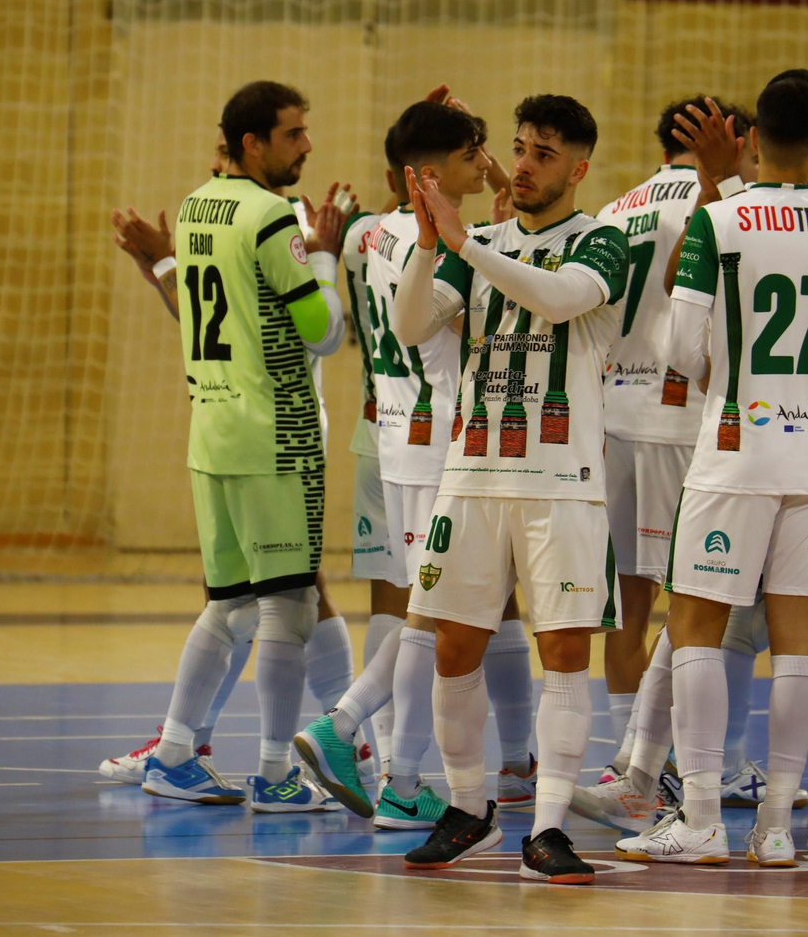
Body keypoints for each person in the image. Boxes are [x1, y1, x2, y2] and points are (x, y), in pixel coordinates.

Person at [616, 78, 808, 868]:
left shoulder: (718, 219)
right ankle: (775, 827)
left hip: (736, 449)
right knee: (798, 641)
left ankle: (701, 818)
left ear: (752, 139)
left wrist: (737, 374)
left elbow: (681, 353)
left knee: (697, 626)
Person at [390, 95, 627, 884]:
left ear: (579, 169)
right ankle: (468, 809)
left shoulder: (603, 241)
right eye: (519, 149)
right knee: (453, 649)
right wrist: (432, 249)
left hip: (562, 481)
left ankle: (551, 826)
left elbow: (557, 299)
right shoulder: (479, 244)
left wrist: (465, 243)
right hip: (474, 475)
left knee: (561, 653)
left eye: (543, 154)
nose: (522, 165)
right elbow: (412, 325)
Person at [296, 98, 536, 829]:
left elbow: (417, 182)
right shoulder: (454, 246)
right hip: (443, 447)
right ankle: (372, 751)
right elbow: (479, 321)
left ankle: (403, 764)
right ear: (431, 173)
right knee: (434, 617)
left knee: (434, 610)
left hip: (398, 442)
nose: (486, 163)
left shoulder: (373, 233)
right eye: (473, 152)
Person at [111, 80, 349, 814]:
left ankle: (176, 753)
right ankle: (277, 774)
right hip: (275, 431)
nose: (306, 145)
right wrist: (325, 257)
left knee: (231, 605)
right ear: (253, 144)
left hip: (211, 430)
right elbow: (326, 331)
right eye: (293, 134)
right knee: (288, 609)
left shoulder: (194, 206)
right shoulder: (273, 218)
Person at [593, 97, 749, 779]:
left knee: (628, 604)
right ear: (730, 141)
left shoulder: (613, 209)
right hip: (678, 416)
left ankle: (631, 764)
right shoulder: (722, 204)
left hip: (609, 420)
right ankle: (683, 768)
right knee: (699, 603)